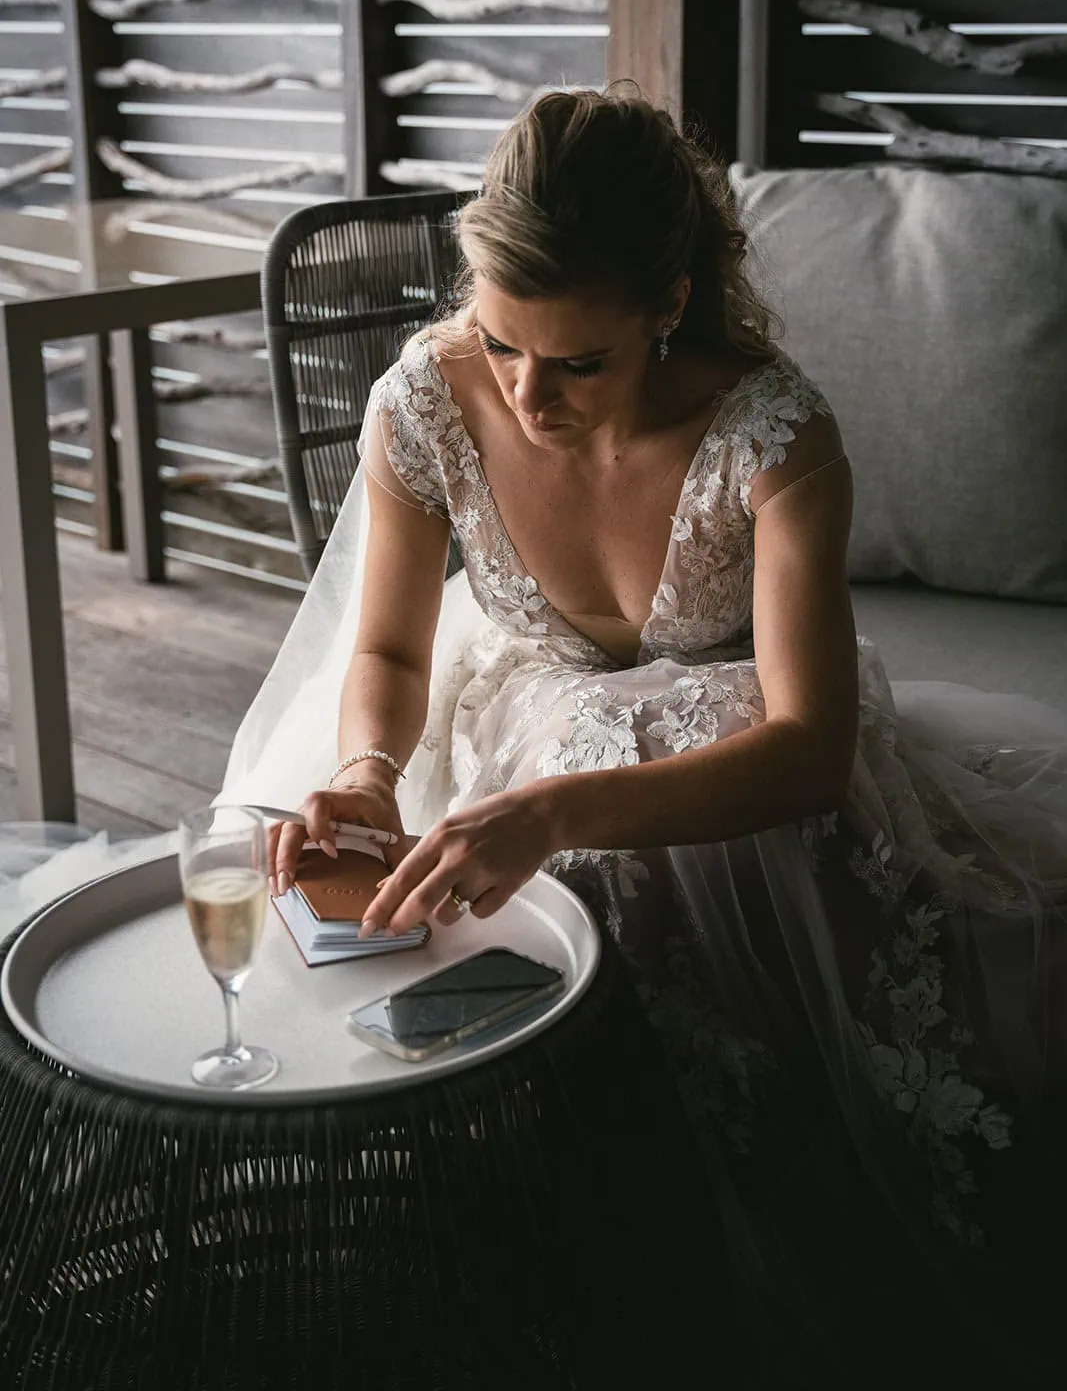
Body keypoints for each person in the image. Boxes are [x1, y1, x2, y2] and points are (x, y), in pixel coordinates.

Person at [223, 87, 1067, 1386]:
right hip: (525, 709)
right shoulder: (428, 403)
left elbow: (804, 744)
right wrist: (365, 769)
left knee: (681, 763)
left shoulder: (774, 437)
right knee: (514, 810)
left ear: (666, 306)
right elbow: (388, 650)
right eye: (501, 344)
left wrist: (554, 815)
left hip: (730, 770)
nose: (528, 397)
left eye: (577, 362)